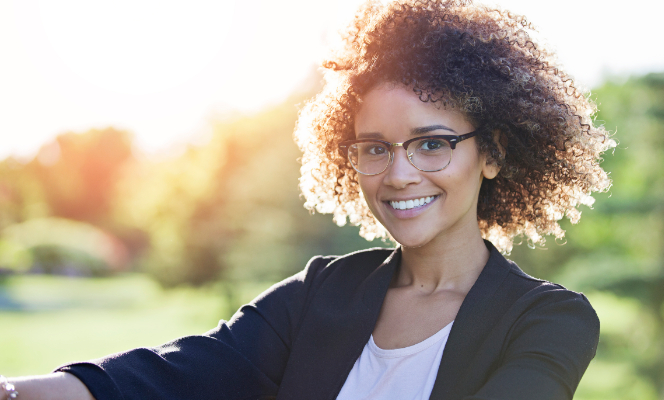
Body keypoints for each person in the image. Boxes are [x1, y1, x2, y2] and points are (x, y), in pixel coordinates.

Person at [0, 0, 615, 399]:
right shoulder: (320, 292)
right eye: (374, 148)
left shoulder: (547, 321)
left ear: (495, 152)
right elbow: (162, 377)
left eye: (432, 144)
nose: (398, 174)